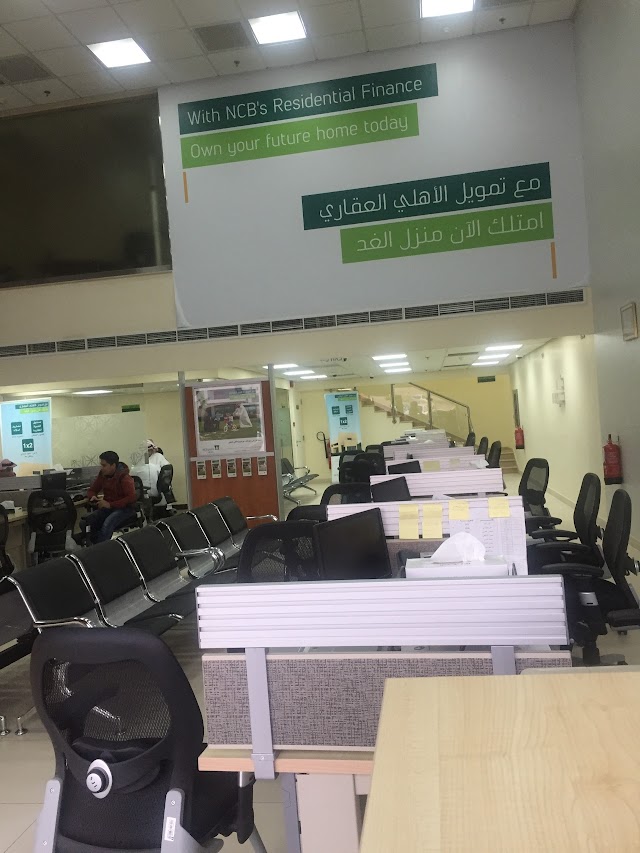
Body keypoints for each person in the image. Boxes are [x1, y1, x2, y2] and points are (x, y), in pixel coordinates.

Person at [79, 451, 136, 544]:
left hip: (125, 509)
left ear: (113, 465)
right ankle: (95, 544)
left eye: (104, 465)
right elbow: (92, 490)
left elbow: (131, 498)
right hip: (109, 508)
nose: (102, 468)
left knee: (108, 523)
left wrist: (110, 504)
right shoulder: (103, 475)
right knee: (85, 522)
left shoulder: (124, 477)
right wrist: (93, 496)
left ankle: (101, 548)